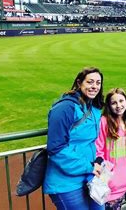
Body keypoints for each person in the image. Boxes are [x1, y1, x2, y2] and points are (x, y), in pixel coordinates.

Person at [43, 66, 104, 210]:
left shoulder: (93, 108)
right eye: (90, 82)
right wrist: (89, 166)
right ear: (79, 83)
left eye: (98, 83)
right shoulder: (65, 108)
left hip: (88, 175)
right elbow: (56, 148)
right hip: (66, 182)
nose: (94, 86)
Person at [95, 88, 126, 210]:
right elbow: (98, 148)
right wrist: (104, 174)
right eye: (114, 103)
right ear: (109, 105)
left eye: (121, 101)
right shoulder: (104, 121)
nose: (119, 105)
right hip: (107, 178)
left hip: (123, 177)